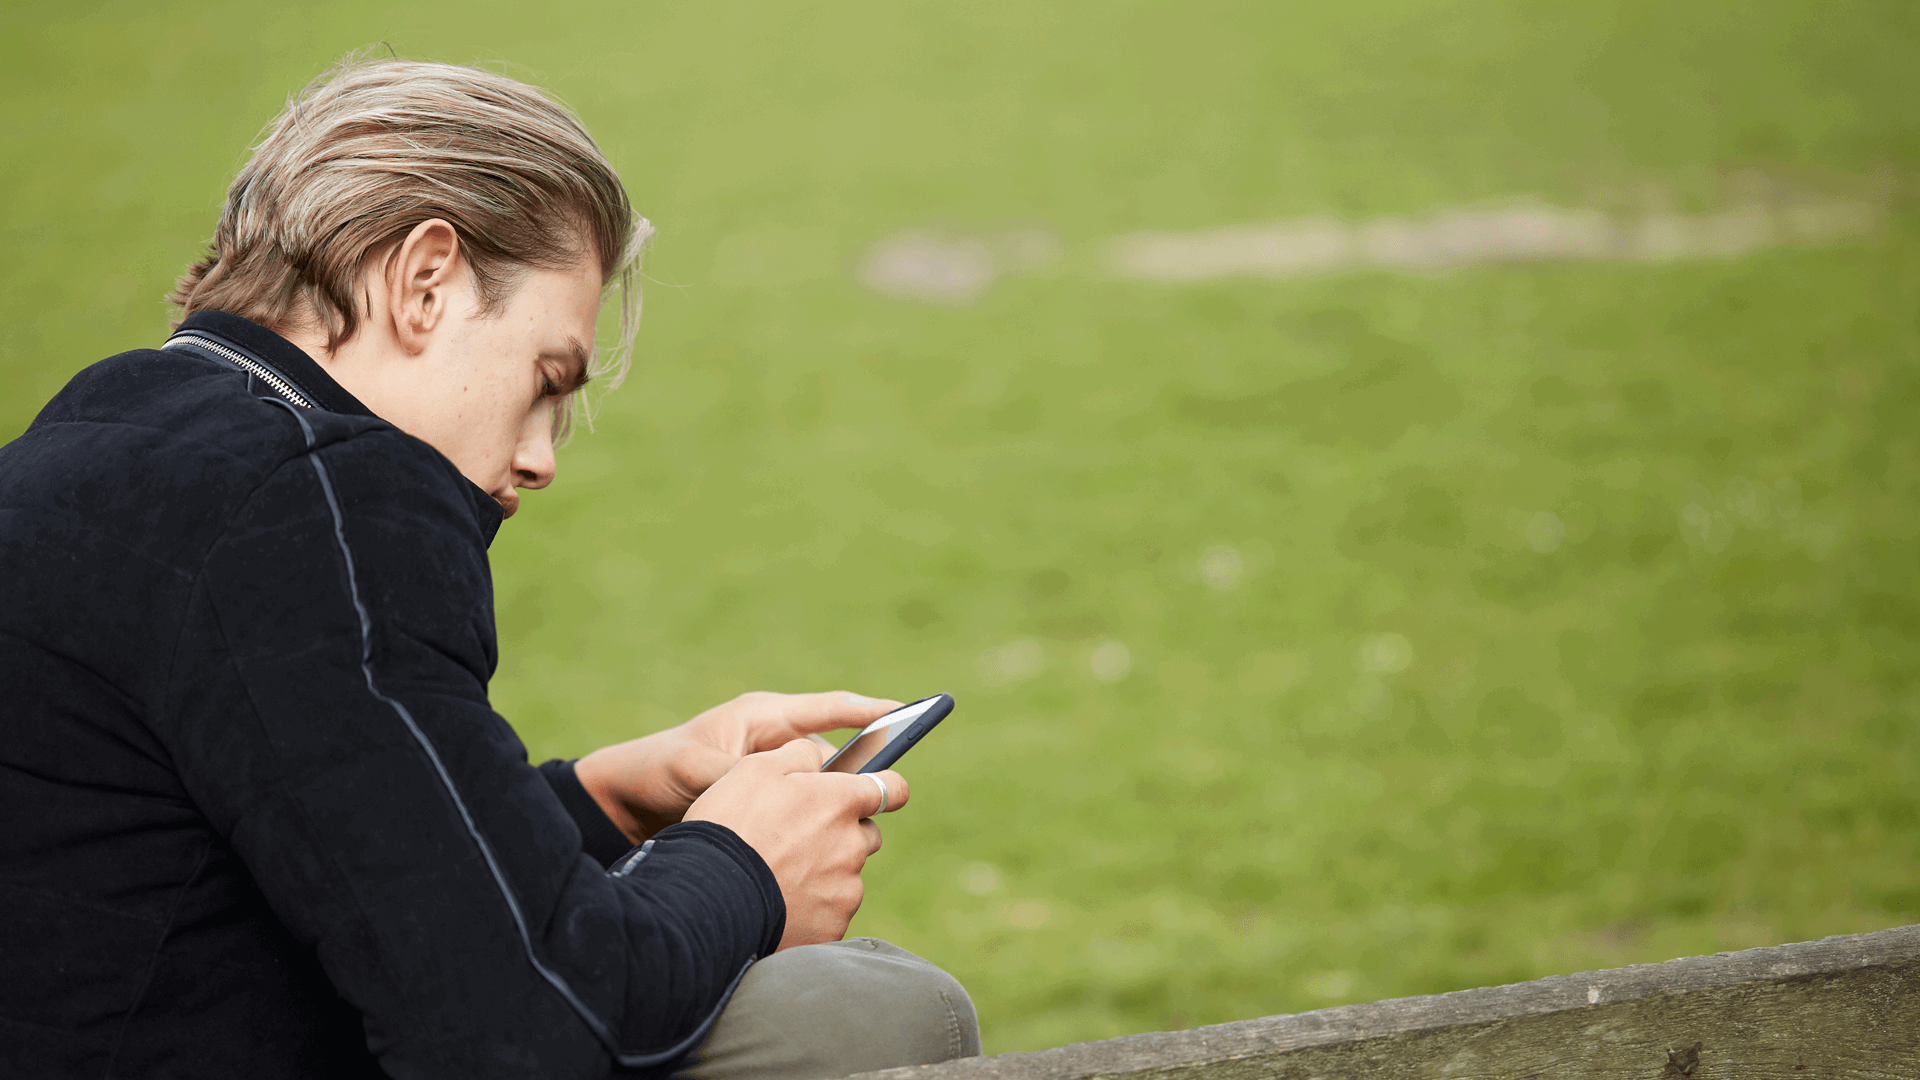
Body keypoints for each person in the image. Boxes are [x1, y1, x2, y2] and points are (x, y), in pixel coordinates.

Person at [0, 55, 979, 1080]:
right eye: (546, 380)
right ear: (425, 282)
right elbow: (523, 1032)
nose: (541, 458)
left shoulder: (87, 443)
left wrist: (598, 805)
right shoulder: (324, 492)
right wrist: (745, 866)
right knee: (876, 1015)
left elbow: (291, 858)